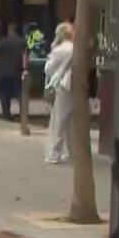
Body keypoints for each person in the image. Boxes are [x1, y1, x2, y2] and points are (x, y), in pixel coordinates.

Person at [43, 22, 76, 164]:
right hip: (75, 85)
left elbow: (48, 69)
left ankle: (54, 153)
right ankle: (71, 152)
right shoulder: (76, 48)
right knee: (70, 121)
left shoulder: (61, 49)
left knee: (58, 120)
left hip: (64, 86)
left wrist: (53, 47)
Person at [0, 22, 27, 122]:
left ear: (9, 31)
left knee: (4, 94)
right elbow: (25, 56)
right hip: (16, 71)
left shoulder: (1, 42)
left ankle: (6, 114)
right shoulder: (22, 42)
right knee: (19, 94)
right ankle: (23, 114)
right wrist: (25, 69)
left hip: (3, 71)